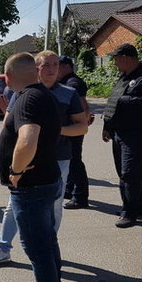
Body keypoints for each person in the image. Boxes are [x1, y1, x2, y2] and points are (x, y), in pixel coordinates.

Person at [0, 51, 87, 268]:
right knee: (13, 206)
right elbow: (10, 122)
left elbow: (82, 126)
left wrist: (56, 131)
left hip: (58, 159)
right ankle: (3, 249)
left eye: (55, 65)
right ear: (35, 69)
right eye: (46, 65)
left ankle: (48, 251)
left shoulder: (68, 93)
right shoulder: (22, 92)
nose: (52, 70)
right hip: (27, 162)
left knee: (55, 208)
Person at [0, 52, 63, 282]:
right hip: (45, 181)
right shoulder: (42, 95)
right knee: (47, 242)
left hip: (32, 186)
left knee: (37, 248)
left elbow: (28, 137)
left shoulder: (28, 98)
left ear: (9, 77)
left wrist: (16, 172)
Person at [102, 43, 142, 228]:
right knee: (133, 171)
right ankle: (141, 206)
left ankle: (129, 213)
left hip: (140, 133)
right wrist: (107, 127)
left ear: (126, 57)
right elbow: (112, 105)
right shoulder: (123, 78)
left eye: (115, 59)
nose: (115, 63)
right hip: (120, 132)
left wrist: (123, 100)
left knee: (129, 173)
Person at [58, 56, 92, 209]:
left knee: (75, 161)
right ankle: (69, 190)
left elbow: (82, 104)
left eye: (57, 65)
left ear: (66, 66)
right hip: (71, 127)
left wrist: (83, 122)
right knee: (71, 160)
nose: (55, 69)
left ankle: (80, 197)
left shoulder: (73, 83)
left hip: (74, 128)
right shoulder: (67, 81)